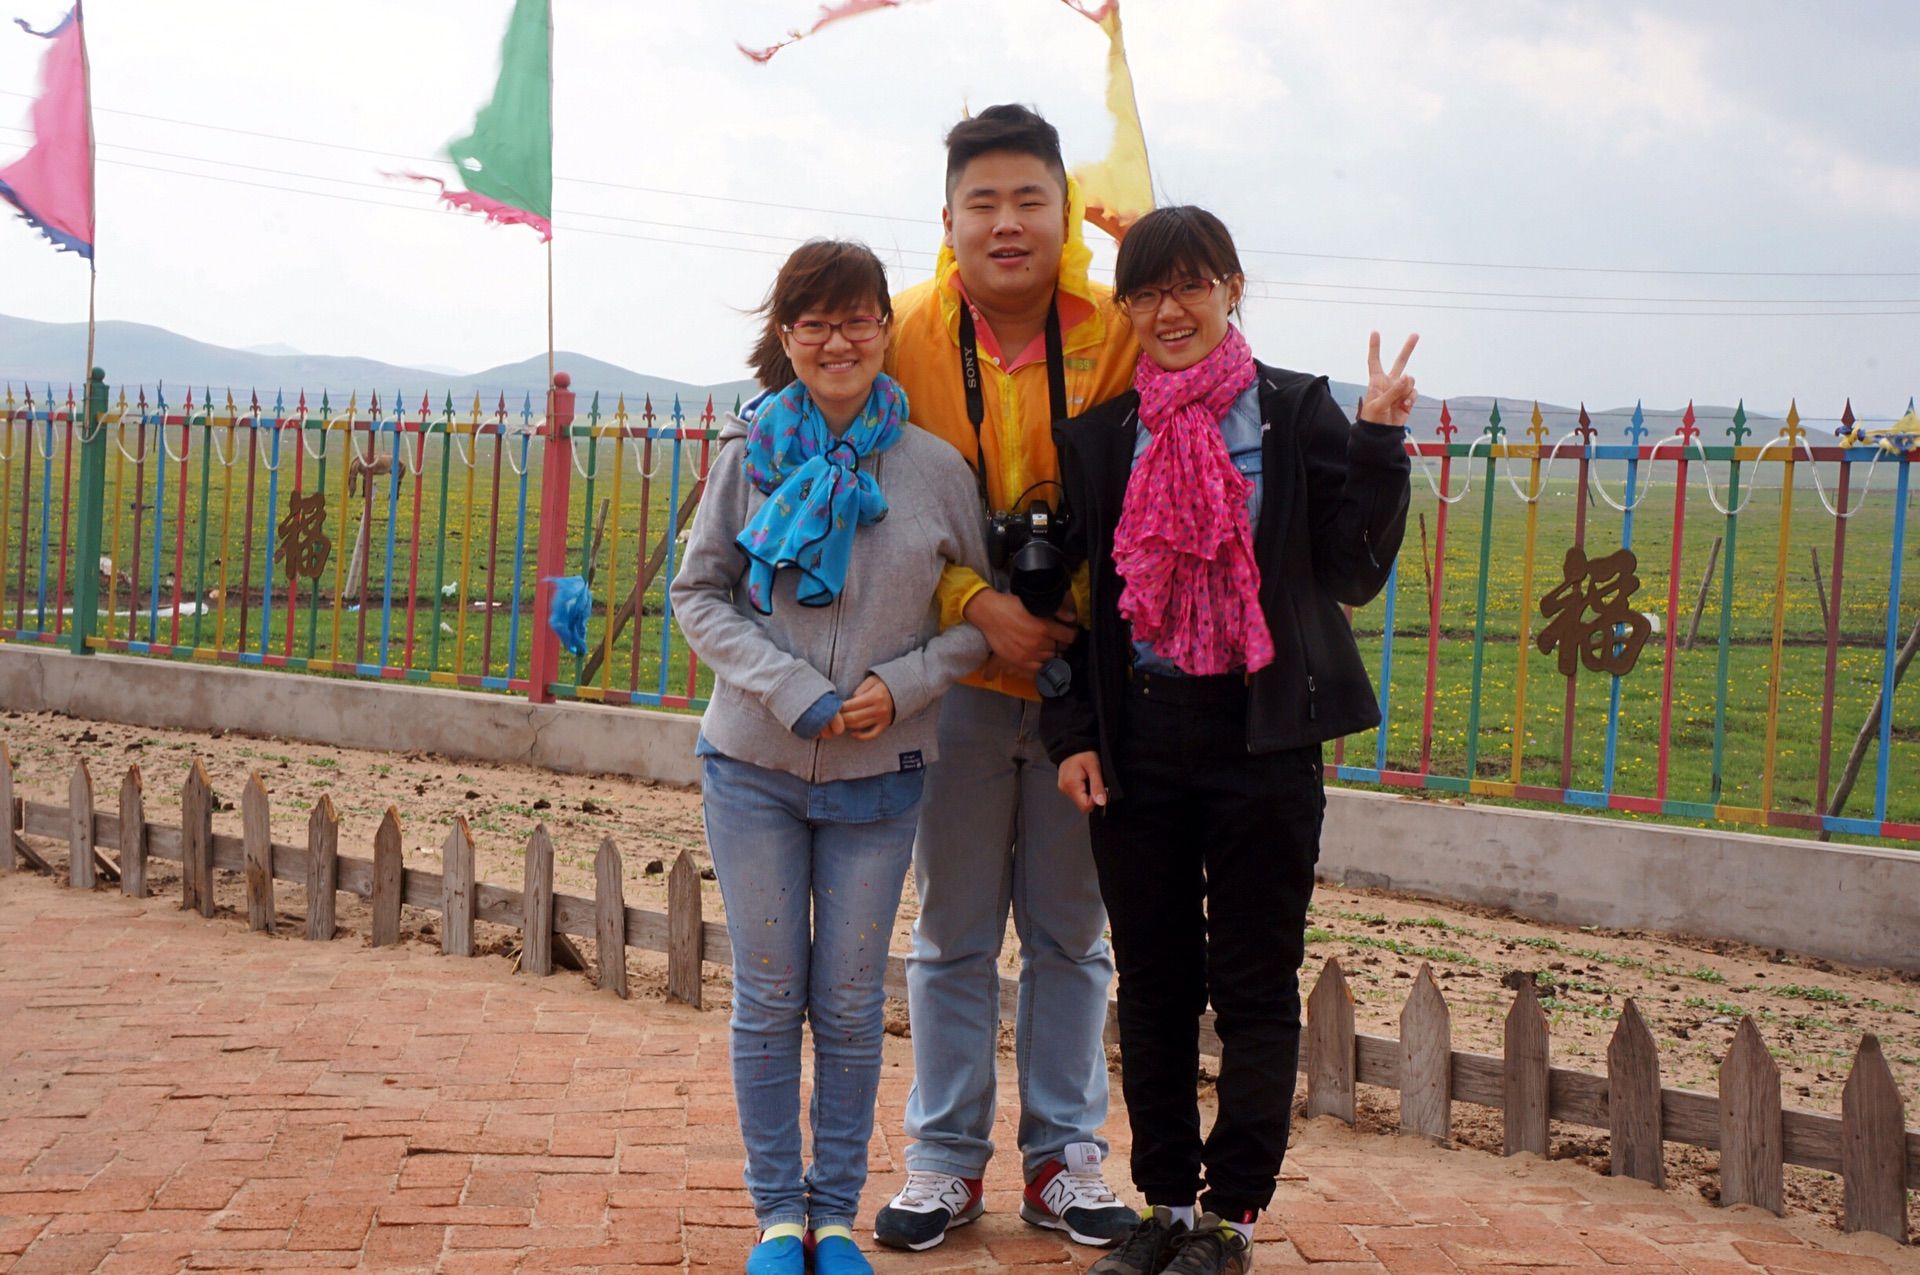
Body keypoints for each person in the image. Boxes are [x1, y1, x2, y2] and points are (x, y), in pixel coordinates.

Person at [1043, 206, 1416, 1275]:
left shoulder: (1298, 414)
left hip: (1263, 742)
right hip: (1141, 741)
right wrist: (1073, 731)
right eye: (1148, 292)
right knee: (1154, 983)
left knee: (1254, 984)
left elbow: (1350, 572)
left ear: (1233, 290)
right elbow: (1078, 607)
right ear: (1128, 310)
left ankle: (1232, 1219)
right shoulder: (1105, 436)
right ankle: (1164, 1207)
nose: (1170, 310)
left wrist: (1381, 444)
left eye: (1191, 286)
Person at [671, 239, 993, 1275]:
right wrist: (795, 689)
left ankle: (837, 1215)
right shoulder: (748, 456)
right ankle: (777, 1218)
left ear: (885, 330)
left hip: (881, 781)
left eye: (857, 319)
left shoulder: (938, 471)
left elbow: (981, 622)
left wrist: (900, 688)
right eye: (813, 322)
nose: (837, 340)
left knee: (851, 1002)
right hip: (753, 770)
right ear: (785, 338)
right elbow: (698, 597)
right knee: (769, 995)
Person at [874, 103, 1141, 1253]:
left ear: (1067, 212)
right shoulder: (901, 334)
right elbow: (874, 514)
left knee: (1076, 933)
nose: (1008, 223)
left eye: (1030, 198)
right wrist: (979, 608)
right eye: (982, 203)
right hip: (959, 683)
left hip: (1092, 685)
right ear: (948, 221)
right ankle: (941, 1160)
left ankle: (1065, 1162)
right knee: (953, 932)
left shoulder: (1121, 331)